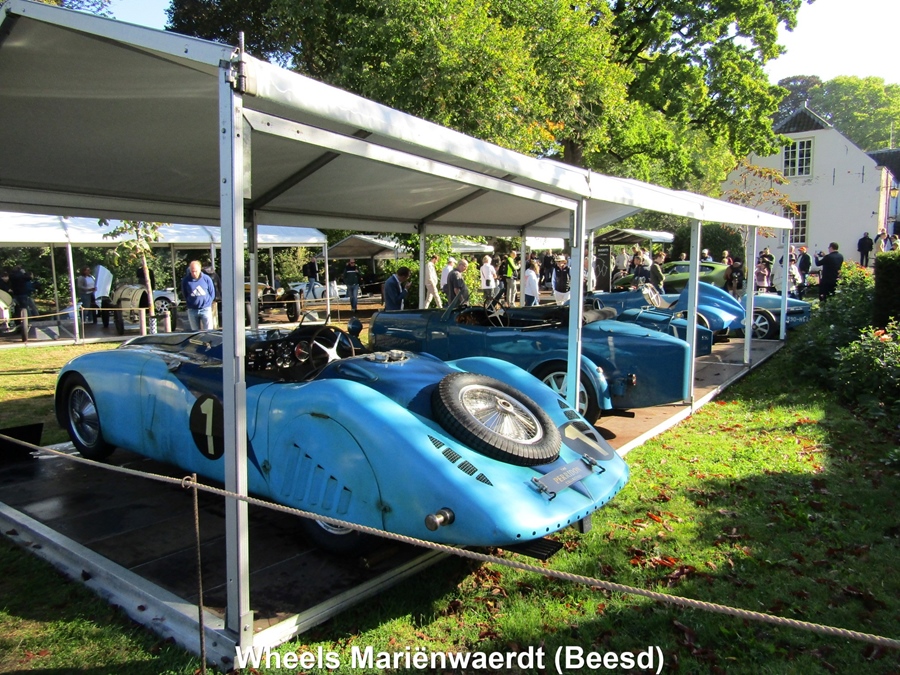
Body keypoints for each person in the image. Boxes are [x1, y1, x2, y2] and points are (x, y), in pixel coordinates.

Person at [181, 260, 216, 330]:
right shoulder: (186, 280)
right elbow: (185, 293)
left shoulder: (206, 279)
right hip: (192, 310)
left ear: (200, 269)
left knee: (209, 331)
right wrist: (190, 302)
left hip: (205, 309)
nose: (194, 273)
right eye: (192, 271)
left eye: (196, 271)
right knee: (195, 332)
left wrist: (207, 303)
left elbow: (212, 293)